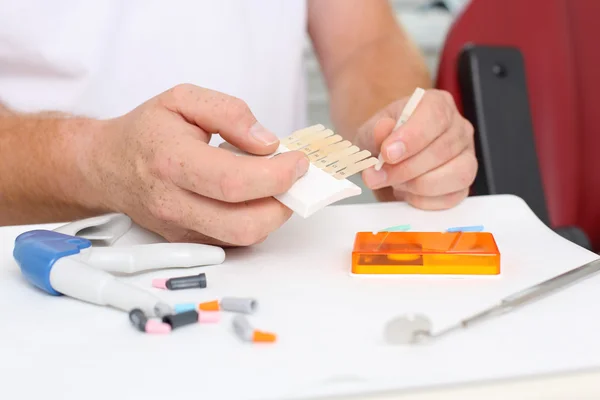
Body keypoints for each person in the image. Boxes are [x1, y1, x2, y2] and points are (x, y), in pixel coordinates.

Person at [0, 0, 475, 246]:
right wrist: (93, 161)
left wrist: (401, 132)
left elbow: (363, 42)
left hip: (280, 259)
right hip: (37, 262)